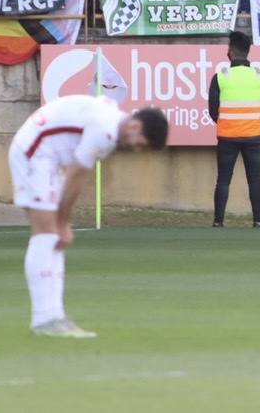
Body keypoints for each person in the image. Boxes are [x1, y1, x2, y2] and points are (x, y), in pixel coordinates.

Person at [9, 95, 167, 336]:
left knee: (54, 239)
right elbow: (76, 174)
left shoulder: (112, 123)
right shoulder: (105, 131)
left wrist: (63, 224)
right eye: (140, 144)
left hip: (47, 159)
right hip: (33, 152)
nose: (136, 150)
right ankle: (43, 320)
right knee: (47, 234)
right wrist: (63, 223)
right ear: (135, 126)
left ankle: (54, 316)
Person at [207, 31, 260, 229]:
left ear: (230, 51)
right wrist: (252, 122)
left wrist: (227, 122)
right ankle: (258, 221)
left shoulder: (220, 77)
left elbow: (212, 110)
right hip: (253, 136)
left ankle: (218, 222)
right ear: (248, 51)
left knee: (223, 180)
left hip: (227, 136)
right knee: (255, 180)